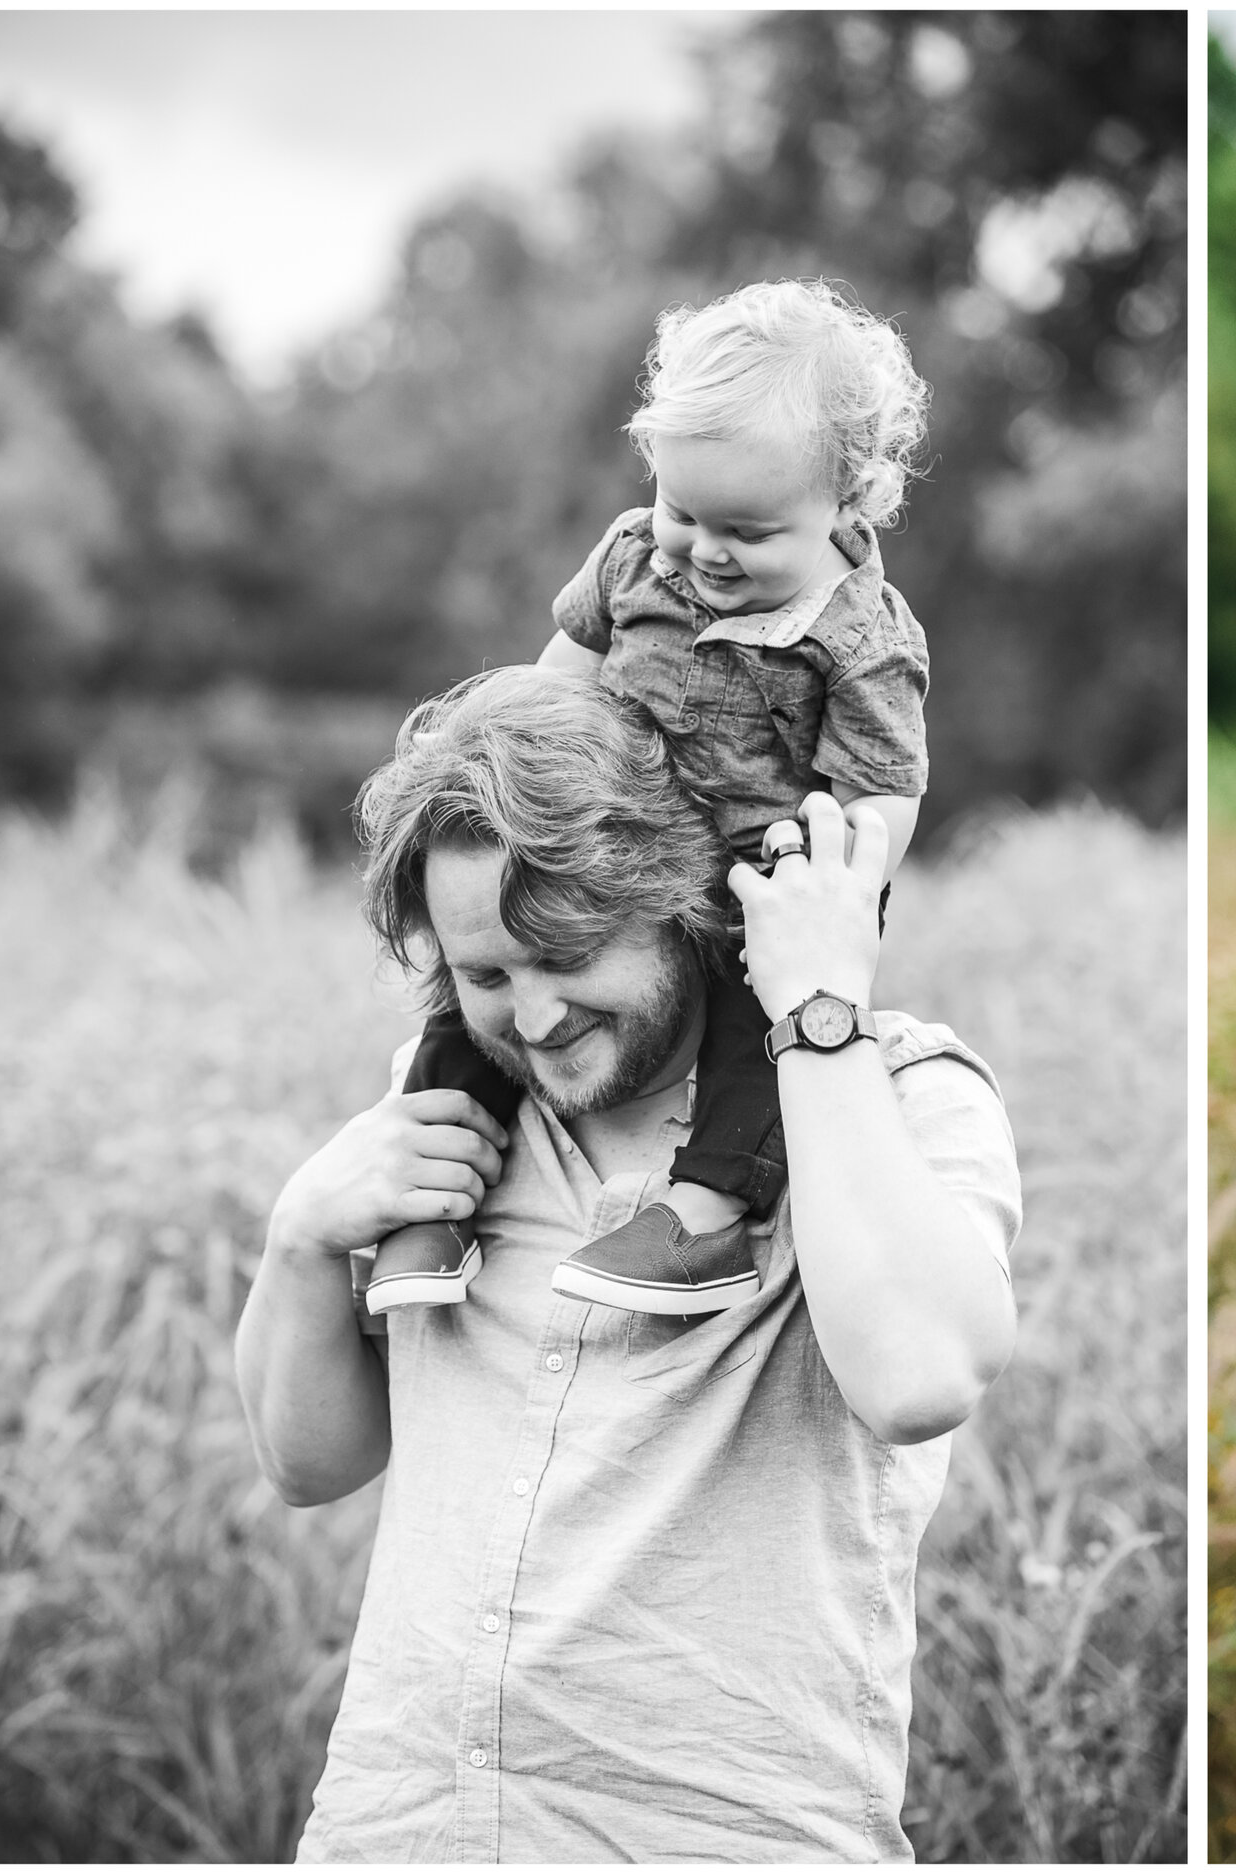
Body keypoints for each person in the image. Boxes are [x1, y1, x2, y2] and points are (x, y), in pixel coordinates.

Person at [234, 666, 1020, 1862]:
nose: (536, 1017)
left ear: (682, 898)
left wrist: (816, 1011)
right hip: (400, 1827)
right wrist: (301, 1239)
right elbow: (309, 1463)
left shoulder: (896, 1094)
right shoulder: (441, 1110)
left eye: (570, 955)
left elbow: (921, 1378)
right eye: (486, 974)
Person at [368, 277, 934, 1319]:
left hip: (766, 868)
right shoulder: (636, 556)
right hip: (607, 834)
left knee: (748, 1030)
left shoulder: (862, 637)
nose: (706, 553)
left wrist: (825, 900)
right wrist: (496, 773)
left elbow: (883, 789)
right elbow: (561, 668)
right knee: (491, 976)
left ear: (849, 505)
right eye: (684, 511)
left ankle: (708, 1213)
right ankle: (431, 1192)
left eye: (750, 533)